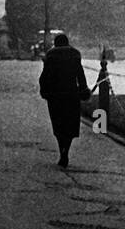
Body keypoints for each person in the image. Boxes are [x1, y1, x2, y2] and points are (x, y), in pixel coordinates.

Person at [38, 32, 91, 168]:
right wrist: (84, 90)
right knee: (70, 124)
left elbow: (44, 77)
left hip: (55, 95)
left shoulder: (50, 55)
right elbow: (80, 75)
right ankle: (66, 149)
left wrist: (44, 91)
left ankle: (62, 149)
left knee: (58, 124)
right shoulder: (75, 54)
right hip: (71, 94)